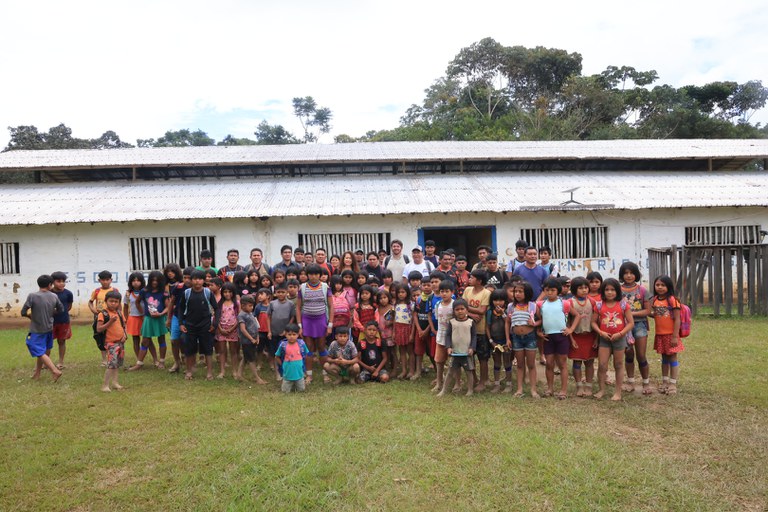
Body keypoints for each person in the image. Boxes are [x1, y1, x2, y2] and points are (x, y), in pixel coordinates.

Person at [591, 278, 634, 401]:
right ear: (603, 291)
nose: (609, 292)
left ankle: (618, 392)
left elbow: (630, 323)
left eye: (613, 290)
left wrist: (620, 334)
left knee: (618, 364)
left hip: (619, 339)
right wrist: (601, 332)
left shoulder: (623, 305)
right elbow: (593, 322)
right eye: (607, 290)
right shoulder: (599, 305)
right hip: (604, 339)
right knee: (602, 365)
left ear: (617, 291)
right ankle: (601, 390)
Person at [296, 264, 334, 384]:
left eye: (316, 274)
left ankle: (325, 374)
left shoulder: (325, 287)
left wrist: (330, 325)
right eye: (311, 274)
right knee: (309, 348)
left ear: (320, 275)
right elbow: (298, 307)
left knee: (322, 347)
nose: (313, 276)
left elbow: (331, 306)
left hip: (321, 320)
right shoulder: (302, 288)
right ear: (307, 275)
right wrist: (300, 326)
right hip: (307, 321)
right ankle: (309, 375)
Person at [21, 275, 64, 382]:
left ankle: (55, 371)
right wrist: (50, 313)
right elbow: (61, 309)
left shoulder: (32, 296)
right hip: (49, 328)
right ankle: (37, 373)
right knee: (43, 351)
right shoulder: (54, 296)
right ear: (50, 285)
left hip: (36, 329)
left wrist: (31, 316)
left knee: (35, 348)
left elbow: (23, 312)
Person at [620, 262, 652, 395]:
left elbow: (647, 311)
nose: (629, 276)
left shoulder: (642, 290)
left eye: (632, 273)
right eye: (626, 273)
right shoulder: (617, 290)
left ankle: (646, 383)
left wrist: (630, 314)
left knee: (641, 355)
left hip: (639, 325)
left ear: (636, 275)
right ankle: (630, 382)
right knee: (628, 353)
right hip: (623, 326)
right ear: (622, 275)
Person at [179, 270, 218, 380]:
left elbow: (216, 309)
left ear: (204, 280)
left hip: (205, 325)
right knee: (189, 349)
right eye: (195, 279)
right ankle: (189, 371)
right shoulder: (186, 293)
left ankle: (209, 373)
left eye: (200, 279)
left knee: (208, 349)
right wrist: (181, 323)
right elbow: (181, 309)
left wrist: (214, 324)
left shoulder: (208, 293)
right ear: (191, 280)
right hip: (190, 325)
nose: (197, 281)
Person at [538, 277, 573, 399]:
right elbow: (539, 320)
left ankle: (563, 391)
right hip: (548, 337)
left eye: (553, 290)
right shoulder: (541, 304)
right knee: (549, 363)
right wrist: (539, 332)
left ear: (558, 290)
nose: (550, 292)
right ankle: (550, 389)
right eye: (547, 290)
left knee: (562, 364)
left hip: (561, 336)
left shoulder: (564, 303)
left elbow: (577, 316)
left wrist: (571, 329)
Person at [650, 275, 683, 395]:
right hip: (660, 335)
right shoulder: (655, 299)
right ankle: (664, 382)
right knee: (664, 358)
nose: (660, 287)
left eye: (663, 285)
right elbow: (657, 314)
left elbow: (677, 319)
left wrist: (675, 336)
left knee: (673, 358)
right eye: (657, 285)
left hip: (671, 335)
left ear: (668, 287)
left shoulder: (673, 300)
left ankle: (673, 384)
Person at [505, 281, 540, 398]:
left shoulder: (533, 306)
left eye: (520, 291)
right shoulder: (511, 306)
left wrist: (534, 323)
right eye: (516, 291)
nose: (517, 294)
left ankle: (533, 390)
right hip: (516, 338)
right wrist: (508, 338)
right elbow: (507, 322)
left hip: (530, 337)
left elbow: (541, 320)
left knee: (531, 364)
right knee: (520, 365)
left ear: (527, 293)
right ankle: (519, 389)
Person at [129, 271, 169, 371]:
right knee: (145, 341)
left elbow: (168, 307)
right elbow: (137, 302)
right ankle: (139, 363)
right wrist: (143, 313)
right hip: (148, 319)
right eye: (153, 280)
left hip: (160, 319)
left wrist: (161, 314)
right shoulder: (144, 291)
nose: (154, 282)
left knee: (161, 339)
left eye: (157, 280)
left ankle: (161, 362)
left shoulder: (164, 292)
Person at [437, 299, 476, 397]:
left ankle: (470, 390)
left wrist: (472, 347)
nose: (460, 311)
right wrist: (448, 347)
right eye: (457, 309)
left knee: (469, 371)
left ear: (467, 310)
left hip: (466, 353)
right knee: (450, 372)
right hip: (455, 352)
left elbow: (474, 336)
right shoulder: (452, 322)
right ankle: (443, 390)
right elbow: (448, 335)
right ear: (453, 311)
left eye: (462, 309)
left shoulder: (471, 322)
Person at [567, 276, 597, 397]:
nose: (584, 290)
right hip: (576, 336)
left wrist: (597, 339)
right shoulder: (570, 303)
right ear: (574, 289)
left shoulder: (593, 302)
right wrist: (571, 339)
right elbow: (568, 323)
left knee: (590, 362)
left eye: (586, 287)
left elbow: (597, 321)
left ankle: (589, 386)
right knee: (577, 363)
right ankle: (579, 386)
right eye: (580, 288)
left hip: (590, 336)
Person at [462, 269, 491, 391]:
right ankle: (474, 378)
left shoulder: (486, 293)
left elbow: (482, 311)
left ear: (479, 281)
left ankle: (483, 381)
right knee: (470, 356)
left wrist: (466, 309)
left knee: (483, 358)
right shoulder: (467, 290)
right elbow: (462, 306)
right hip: (468, 328)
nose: (469, 279)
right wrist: (470, 314)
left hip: (481, 330)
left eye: (472, 277)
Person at [96, 290, 127, 392]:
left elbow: (124, 325)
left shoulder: (119, 313)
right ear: (106, 301)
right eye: (111, 301)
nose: (113, 303)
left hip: (120, 342)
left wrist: (125, 335)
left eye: (116, 301)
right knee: (111, 364)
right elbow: (99, 329)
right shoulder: (103, 314)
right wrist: (110, 321)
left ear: (119, 302)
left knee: (116, 364)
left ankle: (115, 383)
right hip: (110, 343)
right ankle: (105, 385)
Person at [266, 283, 296, 381]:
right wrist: (269, 331)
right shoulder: (272, 303)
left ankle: (287, 371)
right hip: (274, 332)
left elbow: (292, 317)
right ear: (275, 293)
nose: (281, 294)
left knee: (286, 352)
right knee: (276, 353)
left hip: (285, 334)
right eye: (278, 292)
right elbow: (268, 317)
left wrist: (286, 331)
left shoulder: (290, 304)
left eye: (283, 292)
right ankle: (277, 373)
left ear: (286, 292)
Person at [89, 270, 119, 366]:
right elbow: (90, 302)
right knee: (100, 337)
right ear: (99, 280)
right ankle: (104, 359)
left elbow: (118, 304)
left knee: (112, 335)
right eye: (103, 280)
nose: (105, 282)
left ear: (111, 280)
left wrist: (120, 315)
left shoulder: (115, 291)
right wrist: (93, 310)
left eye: (107, 280)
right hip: (100, 316)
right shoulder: (97, 291)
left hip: (112, 316)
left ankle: (113, 356)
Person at [430, 279, 455, 392]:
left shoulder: (454, 304)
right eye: (442, 291)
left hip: (453, 337)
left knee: (454, 361)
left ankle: (457, 382)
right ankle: (439, 382)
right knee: (439, 361)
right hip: (440, 336)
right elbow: (437, 319)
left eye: (447, 291)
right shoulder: (437, 305)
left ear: (452, 292)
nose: (444, 294)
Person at [166, 267, 192, 373]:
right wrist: (169, 318)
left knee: (187, 341)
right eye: (185, 277)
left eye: (189, 278)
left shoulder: (199, 288)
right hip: (177, 317)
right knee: (174, 340)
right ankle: (177, 362)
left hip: (191, 319)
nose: (187, 280)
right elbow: (172, 302)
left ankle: (189, 364)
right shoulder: (178, 287)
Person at [236, 295, 267, 384]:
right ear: (243, 305)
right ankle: (257, 378)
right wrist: (251, 339)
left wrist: (257, 337)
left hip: (253, 339)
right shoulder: (241, 315)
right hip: (247, 341)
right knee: (251, 359)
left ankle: (239, 375)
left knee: (246, 357)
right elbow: (243, 329)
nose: (252, 307)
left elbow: (255, 326)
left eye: (252, 305)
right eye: (249, 306)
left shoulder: (250, 314)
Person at [486, 288, 512, 393]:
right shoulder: (489, 312)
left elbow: (509, 323)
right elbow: (487, 327)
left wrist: (502, 313)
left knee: (507, 362)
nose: (498, 303)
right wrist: (491, 341)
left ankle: (509, 384)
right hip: (494, 341)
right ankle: (496, 384)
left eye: (501, 300)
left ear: (505, 300)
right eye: (495, 300)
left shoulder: (508, 311)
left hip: (506, 341)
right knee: (496, 362)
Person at [214, 282, 240, 379]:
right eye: (225, 292)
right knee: (222, 351)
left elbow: (239, 317)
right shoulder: (220, 304)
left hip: (233, 330)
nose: (227, 294)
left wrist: (232, 328)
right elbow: (216, 317)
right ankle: (222, 371)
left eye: (230, 292)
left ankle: (234, 371)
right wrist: (220, 328)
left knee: (233, 351)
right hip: (221, 330)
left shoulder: (236, 304)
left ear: (233, 292)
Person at [275, 324, 310, 393]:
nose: (291, 337)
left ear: (298, 334)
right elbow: (277, 356)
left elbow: (306, 355)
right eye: (289, 334)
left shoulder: (301, 344)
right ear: (285, 334)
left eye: (294, 334)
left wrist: (302, 364)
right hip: (287, 372)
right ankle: (289, 384)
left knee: (301, 390)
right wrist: (282, 365)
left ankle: (297, 383)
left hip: (299, 372)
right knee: (285, 391)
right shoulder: (283, 345)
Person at [50, 271, 73, 370]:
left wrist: (61, 312)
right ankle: (46, 362)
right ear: (52, 282)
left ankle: (60, 362)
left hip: (63, 321)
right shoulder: (48, 293)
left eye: (63, 281)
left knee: (62, 341)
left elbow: (69, 306)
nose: (61, 283)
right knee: (48, 342)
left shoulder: (68, 293)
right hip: (50, 322)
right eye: (58, 281)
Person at [413, 276, 434, 380]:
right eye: (424, 285)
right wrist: (419, 329)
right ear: (420, 286)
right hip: (420, 330)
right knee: (418, 351)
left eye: (428, 285)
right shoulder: (419, 299)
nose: (426, 287)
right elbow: (415, 315)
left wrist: (426, 330)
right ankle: (418, 371)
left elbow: (434, 317)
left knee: (432, 352)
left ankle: (438, 372)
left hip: (430, 330)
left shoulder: (434, 298)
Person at [391, 283, 414, 379]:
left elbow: (413, 320)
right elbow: (394, 319)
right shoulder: (395, 304)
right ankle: (404, 370)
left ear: (407, 293)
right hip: (398, 328)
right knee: (402, 351)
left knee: (410, 351)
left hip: (408, 328)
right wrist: (394, 332)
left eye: (403, 292)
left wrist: (412, 333)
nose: (401, 294)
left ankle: (411, 370)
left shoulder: (410, 304)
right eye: (399, 292)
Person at [123, 272, 147, 363]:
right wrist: (125, 319)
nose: (136, 282)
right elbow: (125, 306)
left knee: (147, 339)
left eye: (138, 280)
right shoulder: (128, 294)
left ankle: (155, 359)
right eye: (133, 281)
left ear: (142, 281)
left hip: (144, 318)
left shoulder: (145, 292)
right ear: (130, 282)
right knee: (135, 339)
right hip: (133, 318)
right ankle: (139, 359)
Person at [376, 286, 396, 373]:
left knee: (393, 352)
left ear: (388, 298)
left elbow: (395, 320)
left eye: (385, 297)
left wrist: (391, 323)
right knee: (385, 351)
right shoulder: (377, 309)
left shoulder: (392, 308)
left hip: (390, 333)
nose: (383, 300)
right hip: (381, 334)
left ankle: (394, 369)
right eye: (380, 298)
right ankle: (386, 368)